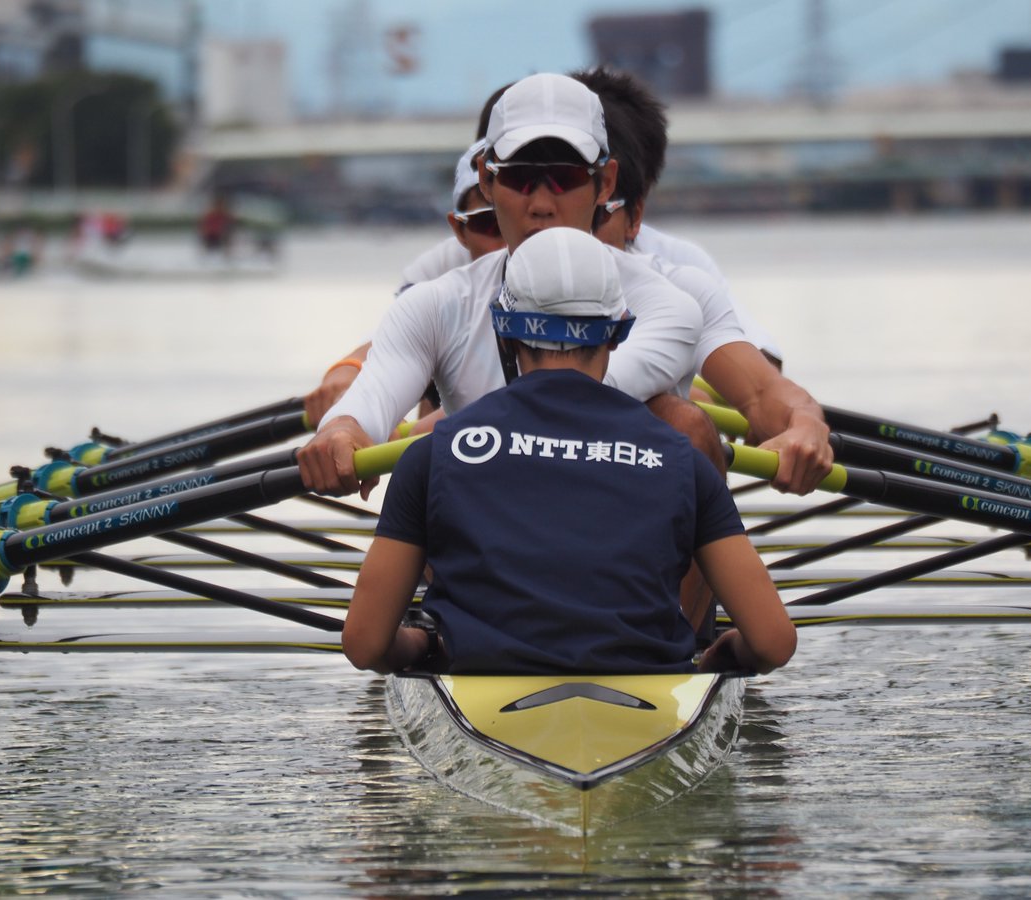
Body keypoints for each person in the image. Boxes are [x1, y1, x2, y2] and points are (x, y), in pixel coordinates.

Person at [341, 227, 796, 676]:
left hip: (481, 679)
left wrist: (420, 645)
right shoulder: (682, 460)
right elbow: (773, 642)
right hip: (643, 691)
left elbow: (365, 645)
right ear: (619, 332)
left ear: (503, 328)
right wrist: (720, 655)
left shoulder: (430, 455)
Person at [297, 72, 703, 501]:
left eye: (564, 178)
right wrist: (342, 429)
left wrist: (441, 428)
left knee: (685, 424)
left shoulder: (666, 307)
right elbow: (370, 401)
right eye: (519, 178)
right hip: (484, 544)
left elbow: (561, 402)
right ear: (486, 180)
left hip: (622, 535)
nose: (542, 205)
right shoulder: (433, 305)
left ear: (605, 183)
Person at [574, 67, 832, 493]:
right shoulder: (459, 288)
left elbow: (761, 384)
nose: (561, 225)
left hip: (640, 471)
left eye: (594, 205)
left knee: (684, 423)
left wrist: (803, 423)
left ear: (631, 209)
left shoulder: (680, 281)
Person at [303, 139, 507, 428]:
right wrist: (345, 381)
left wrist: (416, 433)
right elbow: (399, 346)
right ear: (460, 229)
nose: (508, 238)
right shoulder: (438, 267)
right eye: (489, 223)